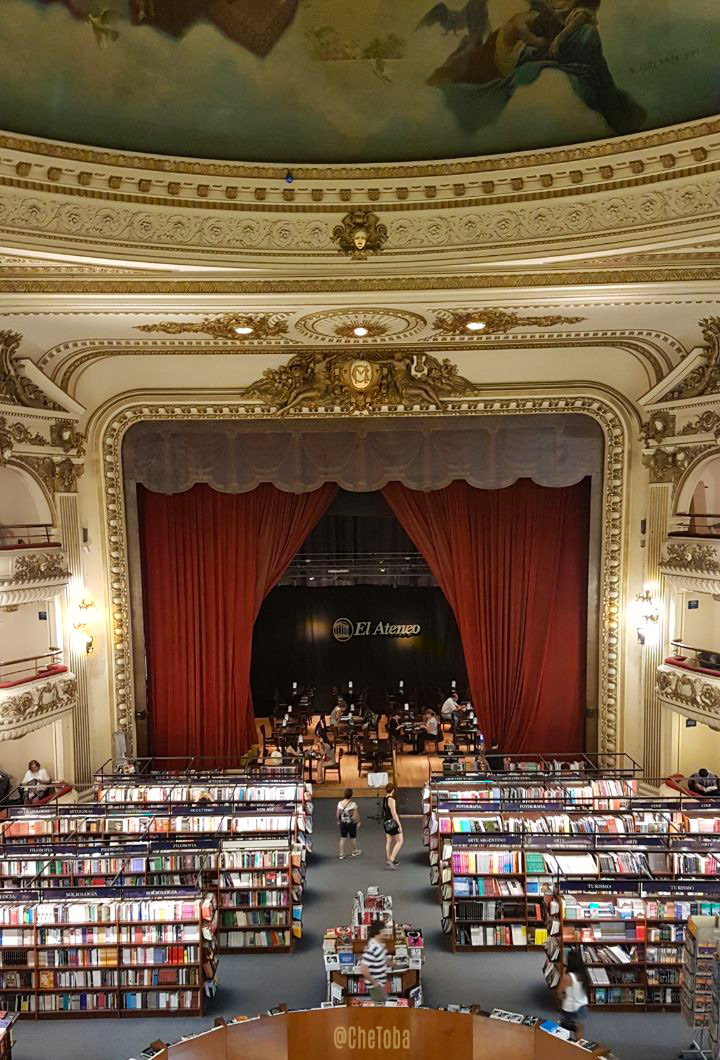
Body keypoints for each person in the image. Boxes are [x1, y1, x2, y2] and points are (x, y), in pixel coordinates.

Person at [559, 947, 591, 1040]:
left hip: (570, 1008)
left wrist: (562, 995)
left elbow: (559, 992)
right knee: (579, 1031)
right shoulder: (584, 974)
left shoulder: (567, 977)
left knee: (564, 1030)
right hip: (582, 1006)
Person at [359, 920, 390, 1005]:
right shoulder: (373, 948)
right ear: (378, 932)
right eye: (383, 931)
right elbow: (363, 968)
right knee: (380, 1011)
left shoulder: (380, 945)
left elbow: (383, 958)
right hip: (376, 987)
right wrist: (374, 982)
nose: (385, 933)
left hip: (380, 985)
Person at [336, 787, 362, 860]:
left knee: (342, 838)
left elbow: (338, 813)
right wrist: (358, 821)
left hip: (343, 823)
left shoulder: (340, 803)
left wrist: (338, 820)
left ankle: (341, 854)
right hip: (351, 823)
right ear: (351, 795)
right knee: (353, 838)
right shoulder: (353, 804)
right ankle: (355, 851)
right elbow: (356, 815)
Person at [382, 783, 403, 868]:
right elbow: (394, 814)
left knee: (389, 840)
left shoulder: (384, 799)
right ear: (393, 790)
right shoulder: (392, 800)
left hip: (386, 821)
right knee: (400, 841)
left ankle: (389, 859)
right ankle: (391, 859)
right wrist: (399, 825)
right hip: (391, 822)